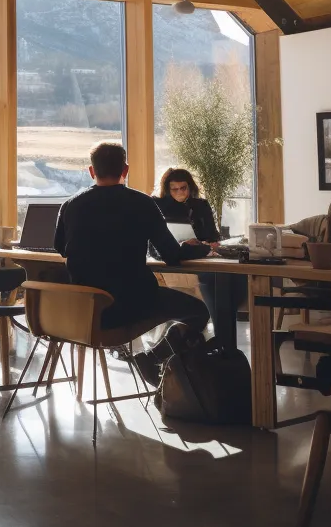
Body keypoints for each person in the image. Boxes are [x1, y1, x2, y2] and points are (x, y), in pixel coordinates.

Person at [54, 142, 210, 386]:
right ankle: (152, 356)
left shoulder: (70, 205)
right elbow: (171, 254)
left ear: (91, 171)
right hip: (132, 303)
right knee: (200, 311)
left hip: (85, 310)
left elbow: (60, 248)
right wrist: (203, 248)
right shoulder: (142, 203)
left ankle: (152, 359)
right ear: (125, 170)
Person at [153, 167, 246, 343]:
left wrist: (206, 244)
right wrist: (183, 245)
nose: (180, 192)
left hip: (203, 255)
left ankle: (224, 340)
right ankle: (223, 341)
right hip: (178, 260)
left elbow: (213, 235)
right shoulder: (158, 206)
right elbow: (157, 247)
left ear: (190, 187)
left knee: (232, 278)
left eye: (184, 188)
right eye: (175, 189)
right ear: (167, 189)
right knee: (213, 279)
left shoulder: (200, 205)